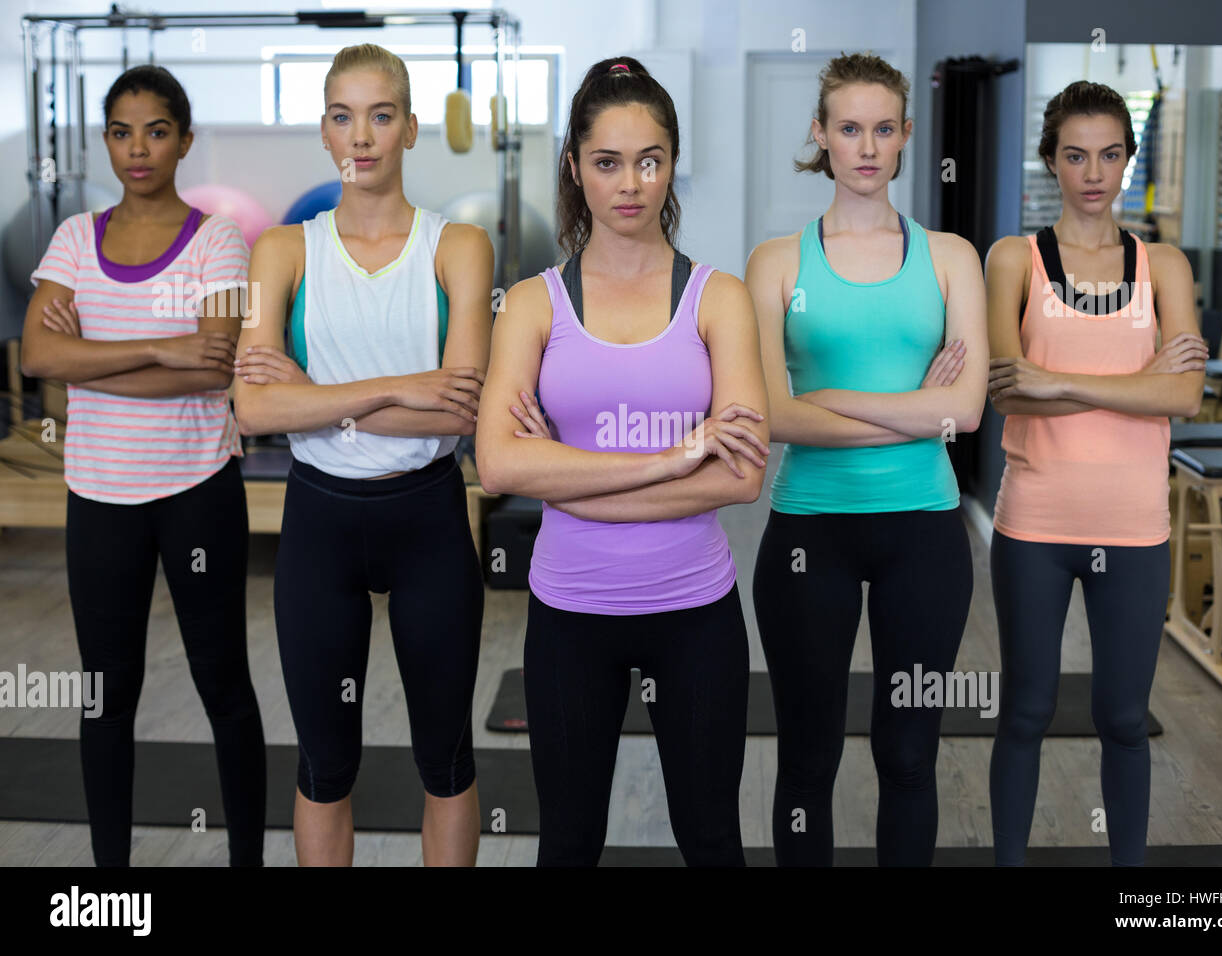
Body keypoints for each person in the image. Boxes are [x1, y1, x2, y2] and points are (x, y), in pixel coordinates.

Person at [475, 56, 770, 867]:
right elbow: (498, 466)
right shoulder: (534, 303)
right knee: (567, 843)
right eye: (607, 162)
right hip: (571, 616)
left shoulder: (721, 298)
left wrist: (564, 472)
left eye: (650, 160)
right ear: (575, 165)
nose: (630, 183)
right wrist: (674, 458)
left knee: (712, 839)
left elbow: (742, 478)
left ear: (673, 163)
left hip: (695, 611)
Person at [231, 43, 493, 866]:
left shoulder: (460, 246)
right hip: (321, 525)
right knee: (324, 765)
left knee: (445, 763)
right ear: (323, 131)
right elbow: (253, 408)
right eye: (343, 116)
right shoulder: (282, 250)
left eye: (381, 115)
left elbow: (463, 403)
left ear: (412, 128)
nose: (363, 135)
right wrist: (405, 392)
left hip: (429, 520)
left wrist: (317, 400)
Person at [745, 52, 987, 866]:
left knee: (910, 758)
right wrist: (917, 414)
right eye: (849, 128)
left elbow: (967, 409)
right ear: (822, 135)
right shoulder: (776, 263)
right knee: (808, 762)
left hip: (925, 532)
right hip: (810, 532)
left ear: (907, 136)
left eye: (884, 128)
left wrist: (833, 403)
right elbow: (769, 414)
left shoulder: (952, 257)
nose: (867, 145)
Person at [21, 65, 265, 866]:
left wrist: (88, 359)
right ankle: (113, 878)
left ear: (184, 140)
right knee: (105, 696)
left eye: (156, 131)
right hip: (99, 496)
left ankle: (246, 862)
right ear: (106, 140)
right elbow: (38, 353)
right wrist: (161, 343)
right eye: (122, 132)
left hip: (197, 489)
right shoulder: (72, 240)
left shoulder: (219, 239)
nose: (138, 148)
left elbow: (214, 368)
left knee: (222, 683)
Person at [984, 80, 1206, 866]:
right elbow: (1006, 391)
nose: (1093, 171)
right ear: (1051, 160)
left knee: (1122, 717)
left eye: (1110, 154)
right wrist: (1132, 387)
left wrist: (1063, 381)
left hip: (1136, 530)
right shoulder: (1013, 259)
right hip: (1035, 524)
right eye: (1075, 154)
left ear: (1127, 162)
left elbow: (1184, 395)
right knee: (1025, 711)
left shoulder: (1164, 266)